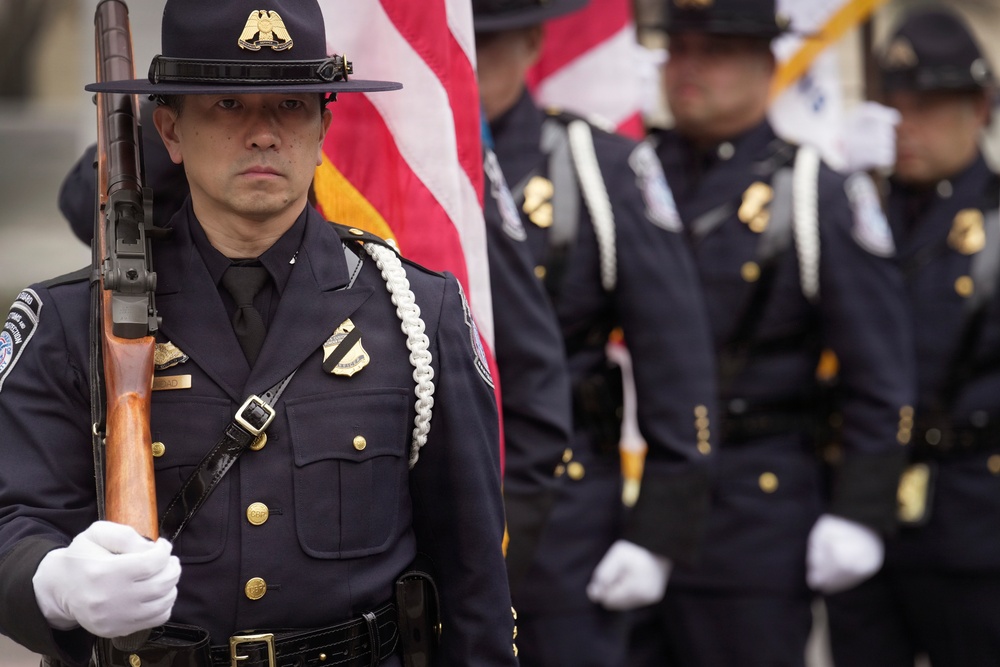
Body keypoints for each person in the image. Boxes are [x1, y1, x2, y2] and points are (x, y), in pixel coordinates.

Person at [0, 1, 518, 666]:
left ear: (325, 125)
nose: (265, 133)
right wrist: (52, 583)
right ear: (170, 129)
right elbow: (13, 518)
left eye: (290, 105)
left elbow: (473, 577)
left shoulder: (418, 312)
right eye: (228, 105)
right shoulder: (74, 321)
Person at [635, 0, 916, 664]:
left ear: (767, 64)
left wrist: (861, 510)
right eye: (679, 49)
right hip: (623, 502)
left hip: (749, 518)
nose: (689, 69)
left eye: (716, 52)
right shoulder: (630, 173)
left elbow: (881, 373)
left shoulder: (814, 190)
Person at [474, 1, 718, 665]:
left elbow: (677, 359)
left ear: (531, 43)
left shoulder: (600, 167)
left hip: (566, 510)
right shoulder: (377, 166)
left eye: (485, 43)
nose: (464, 59)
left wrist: (658, 532)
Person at [825, 7, 1000, 666]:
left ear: (980, 107)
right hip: (861, 512)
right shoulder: (852, 210)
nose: (907, 126)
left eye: (928, 105)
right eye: (894, 105)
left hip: (975, 521)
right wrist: (847, 191)